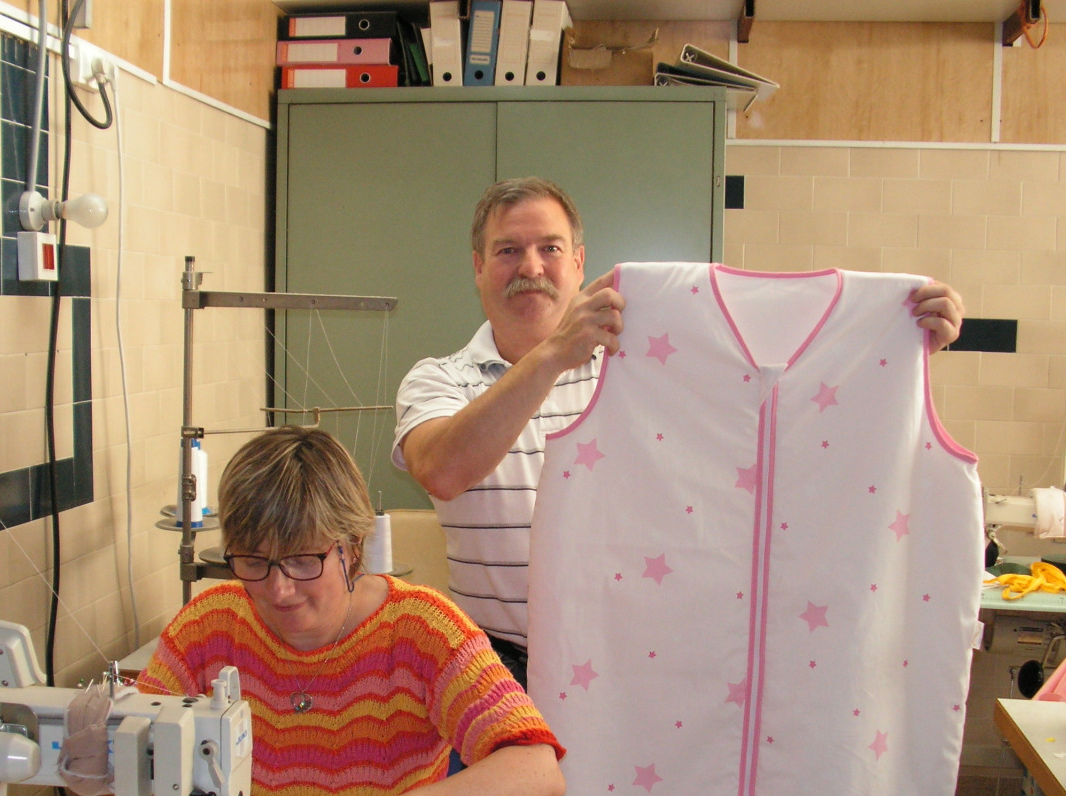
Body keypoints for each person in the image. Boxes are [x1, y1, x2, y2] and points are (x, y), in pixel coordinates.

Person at [393, 176, 967, 684]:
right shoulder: (438, 379)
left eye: (550, 248)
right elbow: (442, 470)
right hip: (491, 674)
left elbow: (781, 423)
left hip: (627, 671)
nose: (531, 267)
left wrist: (893, 357)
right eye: (508, 250)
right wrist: (550, 357)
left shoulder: (641, 366)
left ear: (579, 263)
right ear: (477, 266)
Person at [135, 425, 565, 796]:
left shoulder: (422, 629)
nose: (279, 590)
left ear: (352, 550)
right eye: (254, 561)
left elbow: (535, 770)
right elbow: (134, 752)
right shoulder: (212, 624)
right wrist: (95, 760)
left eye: (304, 560)